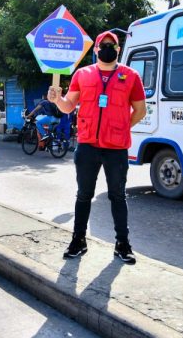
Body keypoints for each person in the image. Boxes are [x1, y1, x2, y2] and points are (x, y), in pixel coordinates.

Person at [48, 31, 146, 264]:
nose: (108, 48)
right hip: (87, 146)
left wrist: (122, 128)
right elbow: (68, 106)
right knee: (83, 195)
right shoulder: (82, 74)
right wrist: (56, 100)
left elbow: (140, 110)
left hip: (116, 148)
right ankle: (78, 240)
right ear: (96, 49)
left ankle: (122, 244)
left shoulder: (130, 75)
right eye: (104, 44)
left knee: (118, 196)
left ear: (119, 49)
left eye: (113, 45)